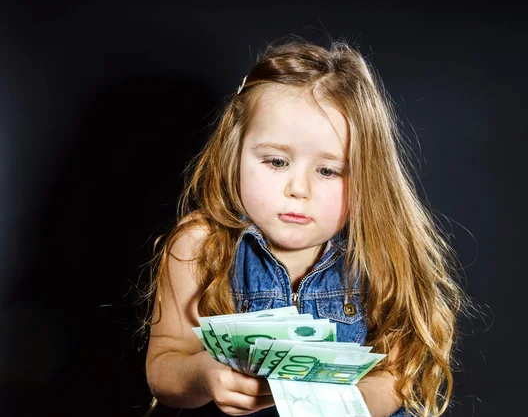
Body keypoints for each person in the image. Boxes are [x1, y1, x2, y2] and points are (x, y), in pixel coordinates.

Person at [140, 36, 467, 417]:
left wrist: (346, 406)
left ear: (367, 177)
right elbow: (164, 365)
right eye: (277, 162)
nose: (299, 189)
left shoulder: (381, 251)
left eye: (328, 170)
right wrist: (203, 373)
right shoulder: (198, 245)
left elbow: (399, 372)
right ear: (236, 152)